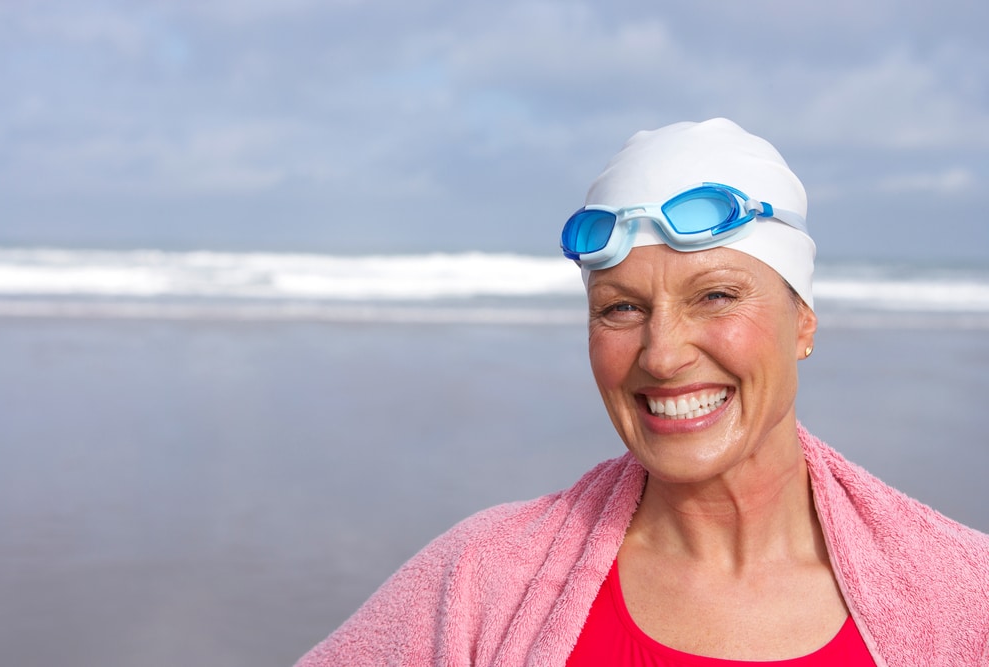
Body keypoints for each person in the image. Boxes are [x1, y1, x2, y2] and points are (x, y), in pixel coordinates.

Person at [294, 119, 989, 666]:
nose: (662, 354)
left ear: (802, 321)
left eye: (715, 295)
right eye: (621, 308)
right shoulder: (481, 580)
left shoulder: (963, 595)